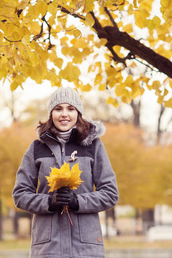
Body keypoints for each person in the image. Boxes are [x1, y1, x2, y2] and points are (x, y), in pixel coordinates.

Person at [12, 86, 119, 258]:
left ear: (78, 113)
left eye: (70, 108)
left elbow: (110, 193)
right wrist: (49, 202)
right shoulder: (36, 148)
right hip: (48, 249)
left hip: (86, 248)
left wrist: (78, 201)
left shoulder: (94, 146)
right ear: (51, 114)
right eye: (58, 108)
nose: (64, 114)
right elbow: (20, 195)